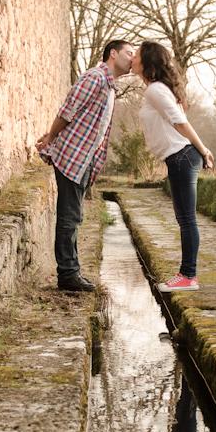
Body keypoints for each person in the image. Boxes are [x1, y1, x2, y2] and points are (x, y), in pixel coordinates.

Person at [36, 40, 135, 292]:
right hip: (71, 156)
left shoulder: (110, 86)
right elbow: (67, 110)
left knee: (74, 215)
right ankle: (68, 275)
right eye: (129, 53)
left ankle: (72, 270)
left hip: (83, 160)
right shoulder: (95, 78)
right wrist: (50, 136)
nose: (133, 58)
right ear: (113, 54)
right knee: (70, 216)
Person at [131, 40, 214, 292]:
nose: (132, 58)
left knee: (187, 219)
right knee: (184, 219)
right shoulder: (158, 89)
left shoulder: (155, 90)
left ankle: (188, 276)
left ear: (147, 61)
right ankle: (187, 274)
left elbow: (180, 123)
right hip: (179, 157)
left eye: (136, 55)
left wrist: (203, 149)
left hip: (183, 156)